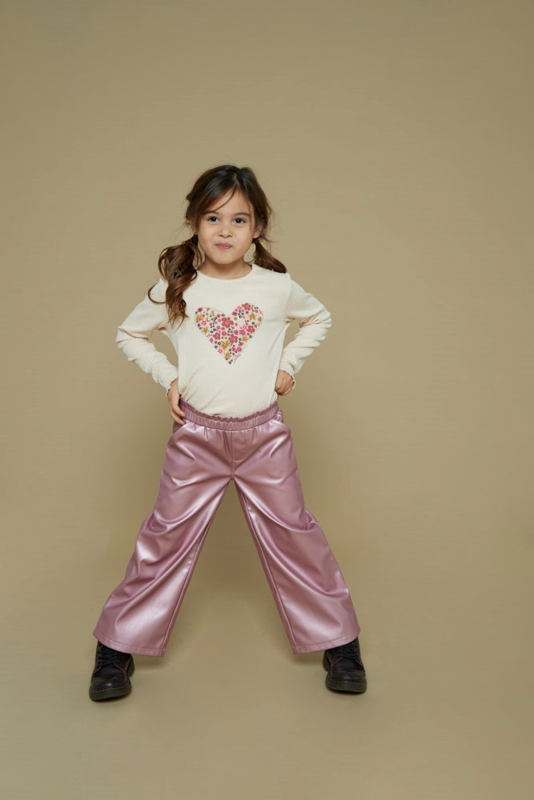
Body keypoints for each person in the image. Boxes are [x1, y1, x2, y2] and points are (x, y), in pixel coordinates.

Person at [89, 164, 367, 701]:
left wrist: (289, 364)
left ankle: (339, 640)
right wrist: (169, 376)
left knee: (296, 533)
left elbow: (320, 318)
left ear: (257, 228)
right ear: (195, 223)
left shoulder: (276, 287)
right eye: (212, 218)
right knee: (164, 536)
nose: (224, 230)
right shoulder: (179, 288)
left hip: (264, 437)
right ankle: (116, 646)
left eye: (239, 219)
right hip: (197, 437)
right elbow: (130, 334)